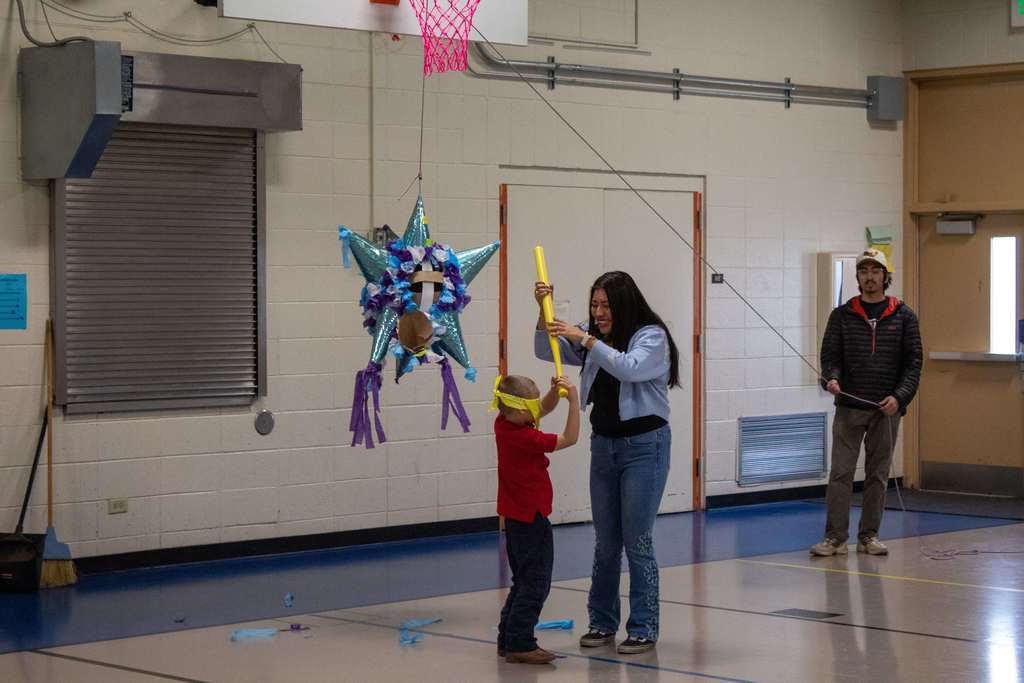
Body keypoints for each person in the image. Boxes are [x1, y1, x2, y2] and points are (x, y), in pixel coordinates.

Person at [534, 271, 679, 655]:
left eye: (605, 306)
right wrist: (541, 311)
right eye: (594, 306)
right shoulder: (591, 336)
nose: (598, 313)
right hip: (605, 446)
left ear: (624, 304)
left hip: (645, 447)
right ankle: (601, 622)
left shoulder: (651, 337)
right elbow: (545, 347)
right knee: (605, 543)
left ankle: (644, 626)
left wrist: (587, 339)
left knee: (638, 540)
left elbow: (628, 367)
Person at [811, 248, 923, 557]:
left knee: (877, 475)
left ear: (886, 277)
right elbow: (829, 357)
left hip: (886, 411)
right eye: (864, 272)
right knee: (841, 474)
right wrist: (830, 378)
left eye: (875, 272)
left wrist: (899, 397)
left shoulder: (904, 315)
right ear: (858, 277)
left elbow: (914, 364)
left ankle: (869, 536)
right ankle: (835, 538)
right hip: (849, 408)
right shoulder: (842, 315)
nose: (869, 277)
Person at [495, 373, 580, 665]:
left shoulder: (503, 423)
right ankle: (520, 642)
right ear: (519, 410)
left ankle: (507, 638)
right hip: (530, 518)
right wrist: (574, 400)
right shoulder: (525, 437)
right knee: (536, 583)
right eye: (530, 406)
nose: (536, 410)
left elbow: (541, 408)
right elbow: (570, 438)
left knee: (522, 581)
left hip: (518, 517)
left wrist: (555, 392)